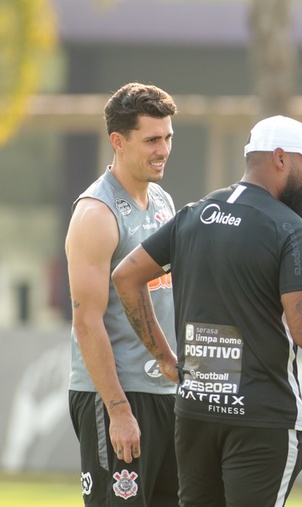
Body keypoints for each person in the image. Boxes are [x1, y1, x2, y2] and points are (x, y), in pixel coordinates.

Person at [111, 115, 302, 507]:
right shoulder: (290, 229)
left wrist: (165, 359)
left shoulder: (194, 215)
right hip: (261, 420)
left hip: (195, 411)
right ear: (281, 158)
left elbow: (126, 276)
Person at [65, 82, 179, 506]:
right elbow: (86, 321)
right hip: (117, 396)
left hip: (164, 394)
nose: (163, 149)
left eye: (167, 137)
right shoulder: (96, 213)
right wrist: (117, 410)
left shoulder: (164, 202)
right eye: (151, 139)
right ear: (118, 141)